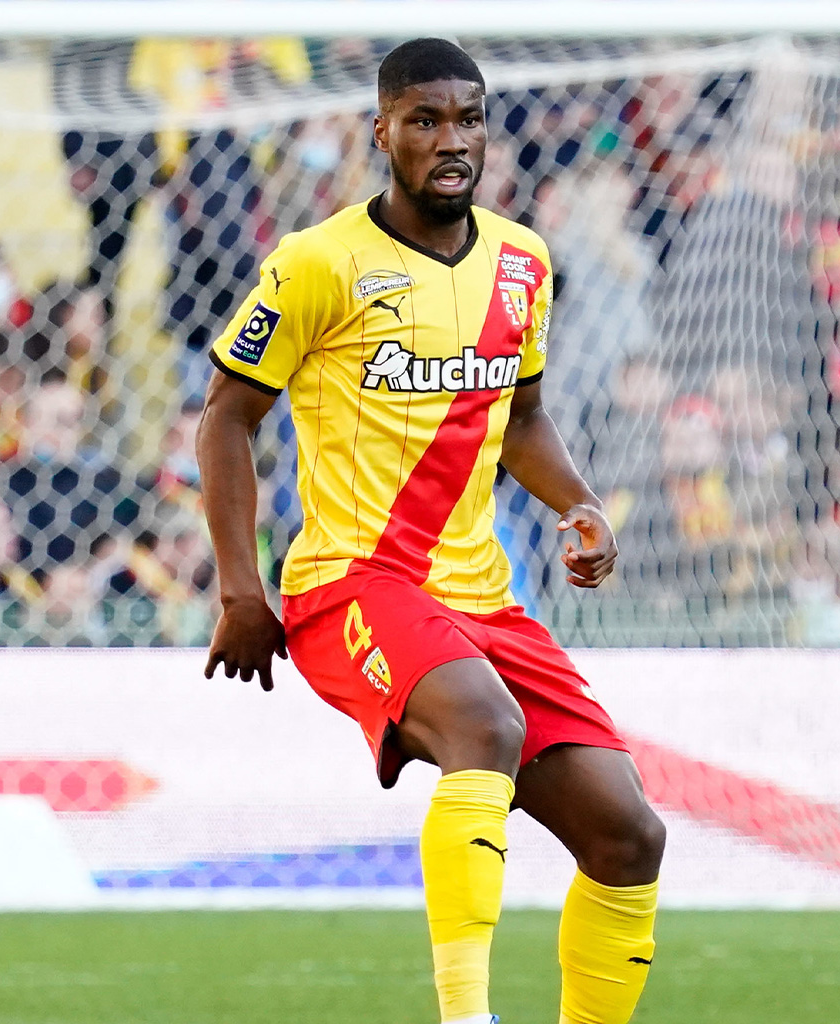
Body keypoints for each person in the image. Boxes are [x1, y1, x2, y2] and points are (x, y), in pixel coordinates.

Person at [197, 40, 663, 1024]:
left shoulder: (522, 263)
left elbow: (521, 417)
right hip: (349, 585)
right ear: (382, 132)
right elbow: (224, 416)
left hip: (482, 599)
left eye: (467, 119)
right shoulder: (316, 263)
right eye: (424, 120)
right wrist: (242, 587)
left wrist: (576, 505)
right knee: (485, 728)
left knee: (629, 836)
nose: (450, 141)